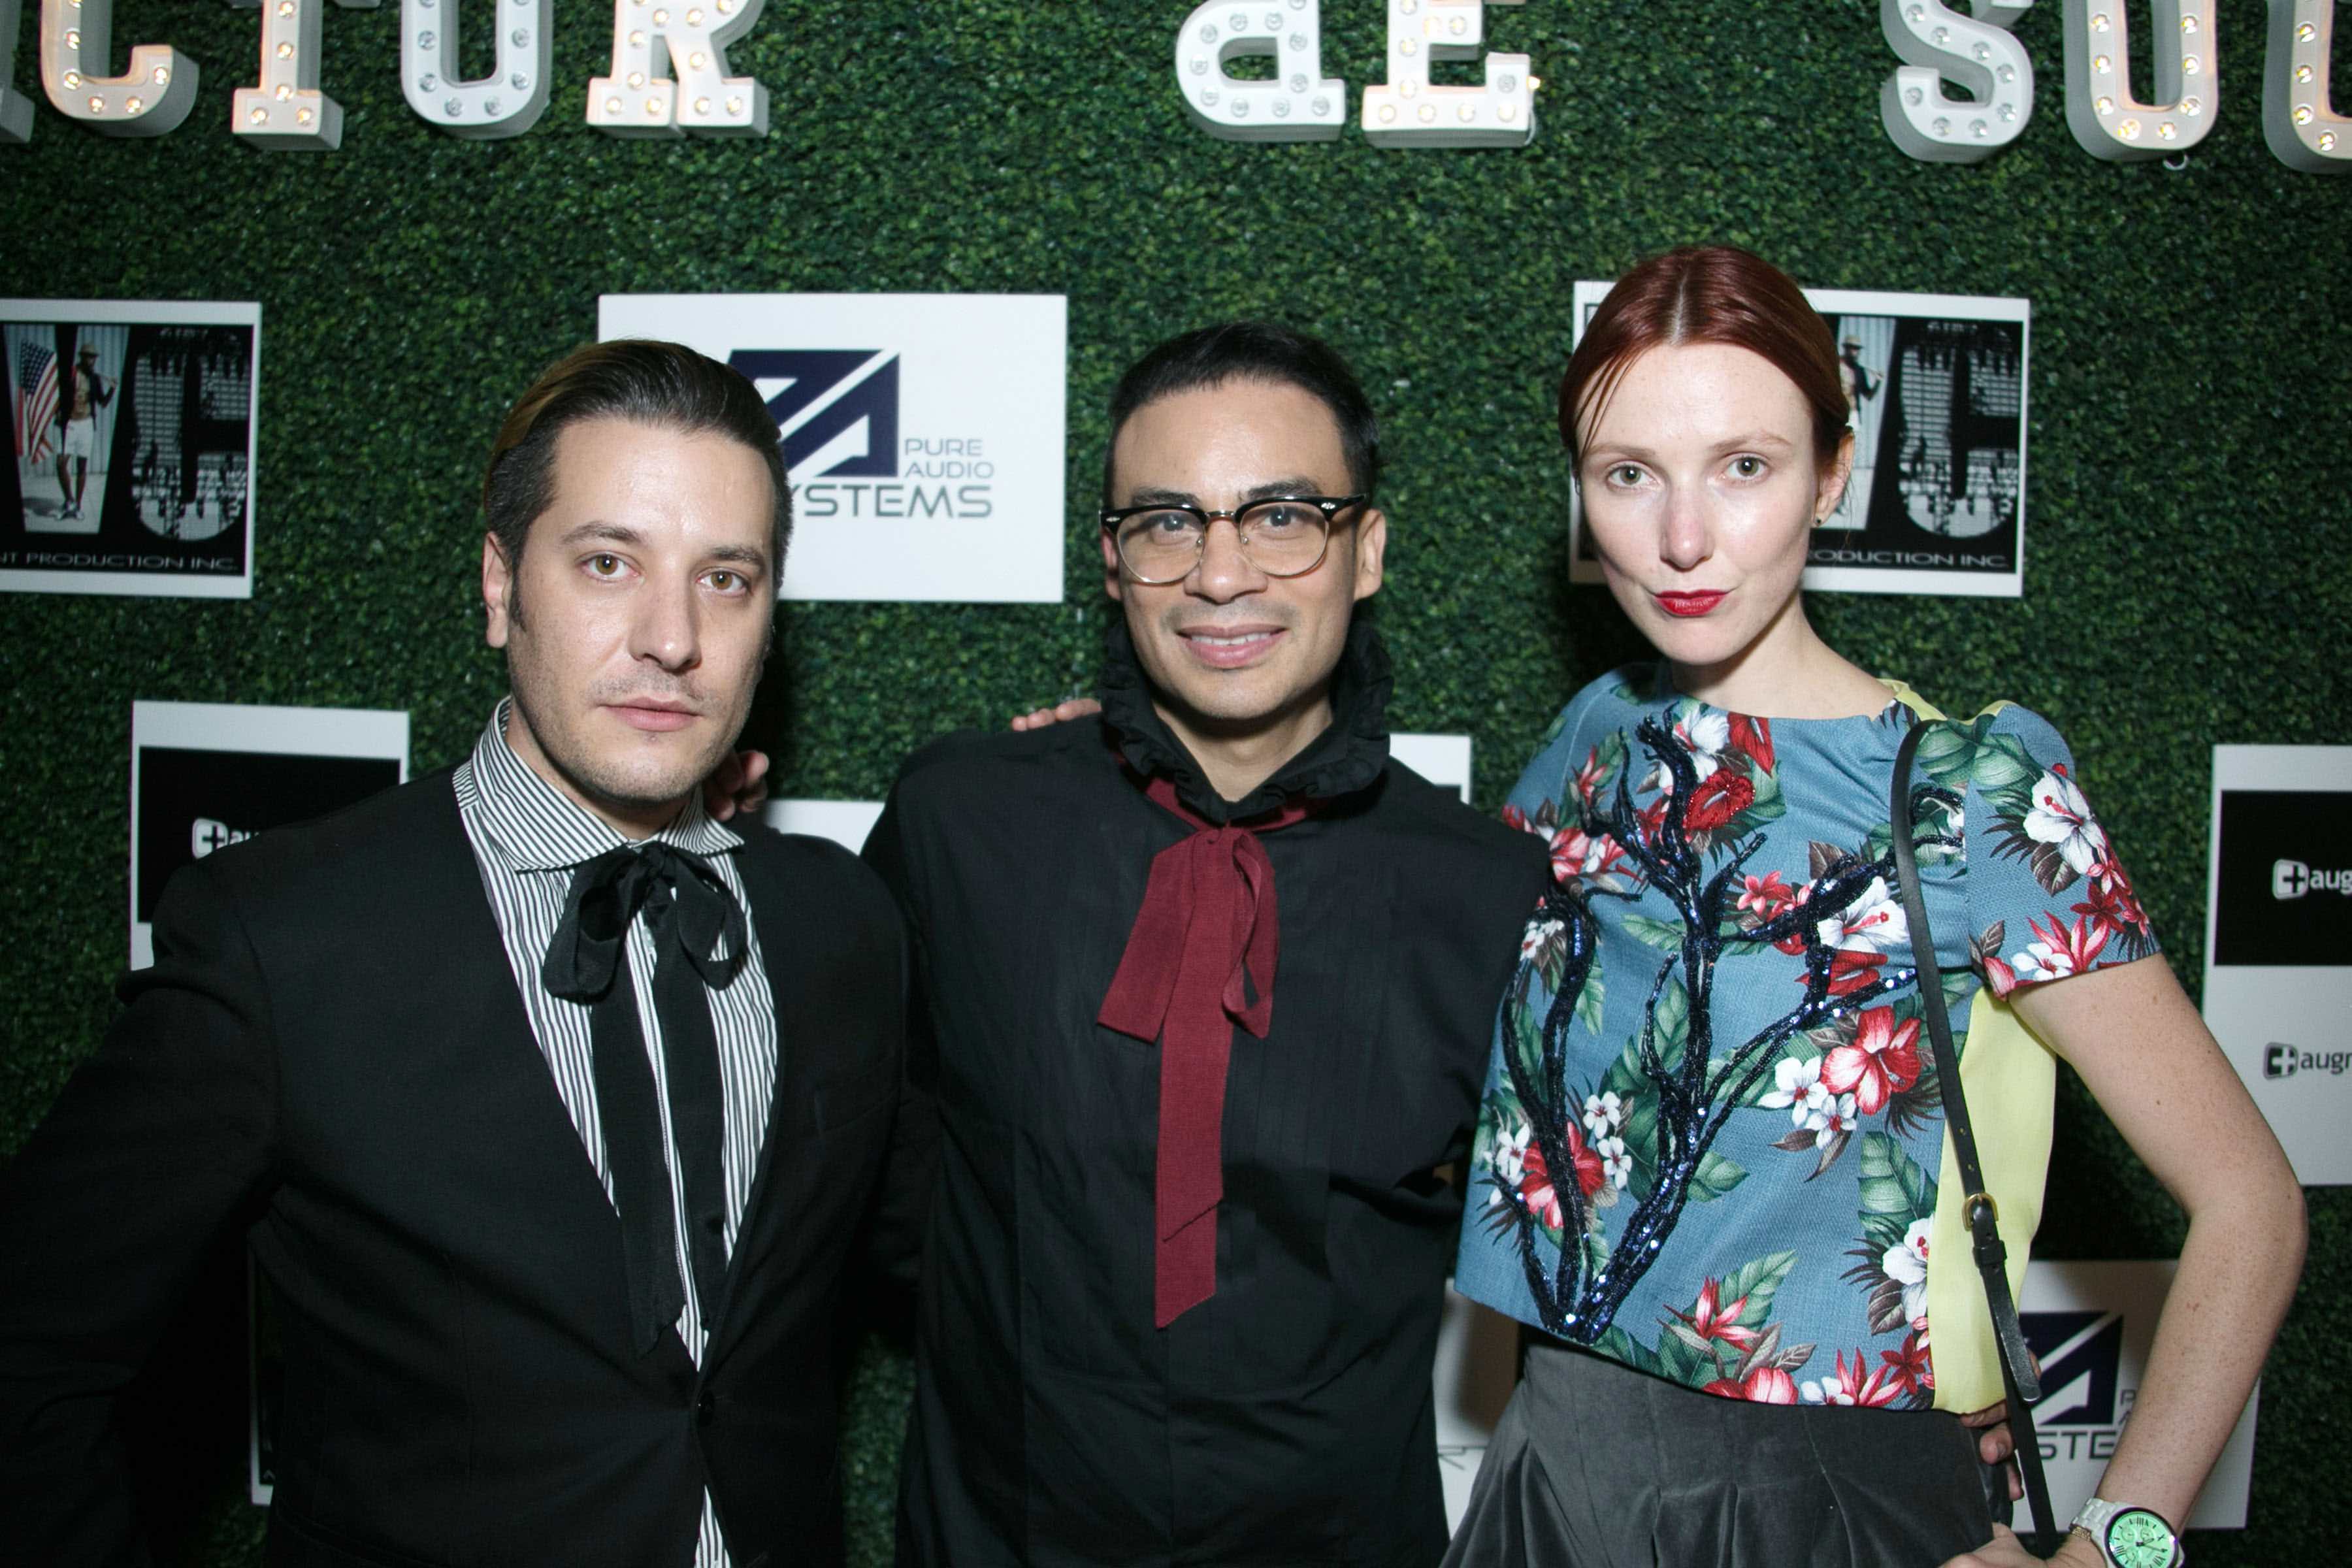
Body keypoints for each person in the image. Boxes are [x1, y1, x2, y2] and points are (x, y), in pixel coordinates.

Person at [1444, 246, 2304, 1568]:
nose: (1683, 539)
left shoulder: (1970, 795)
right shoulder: (1600, 734)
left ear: (1834, 472)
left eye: (1746, 466)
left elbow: (2250, 1197)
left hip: (1831, 1506)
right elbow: (1441, 958)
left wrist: (2119, 1548)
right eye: (1630, 476)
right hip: (1563, 1470)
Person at [0, 340, 912, 1567]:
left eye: (728, 580)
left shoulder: (836, 926)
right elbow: (33, 1349)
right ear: (500, 584)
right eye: (607, 563)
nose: (671, 638)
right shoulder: (286, 935)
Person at [864, 322, 1549, 1566]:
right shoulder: (963, 825)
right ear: (1115, 564)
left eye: (1284, 515)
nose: (1221, 576)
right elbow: (882, 1186)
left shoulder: (1490, 895)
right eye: (1169, 522)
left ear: (1368, 549)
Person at [57, 341, 112, 519]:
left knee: (82, 467)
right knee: (61, 463)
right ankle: (70, 500)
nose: (92, 361)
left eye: (94, 357)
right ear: (82, 357)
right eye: (89, 357)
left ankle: (78, 506)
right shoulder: (71, 373)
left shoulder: (95, 379)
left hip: (87, 424)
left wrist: (112, 388)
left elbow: (103, 403)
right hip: (70, 424)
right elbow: (59, 394)